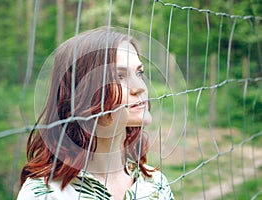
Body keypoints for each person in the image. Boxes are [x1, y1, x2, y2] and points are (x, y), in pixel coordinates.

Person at [17, 28, 174, 200]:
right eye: (119, 76)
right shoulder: (46, 194)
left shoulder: (154, 183)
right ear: (83, 92)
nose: (141, 87)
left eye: (139, 73)